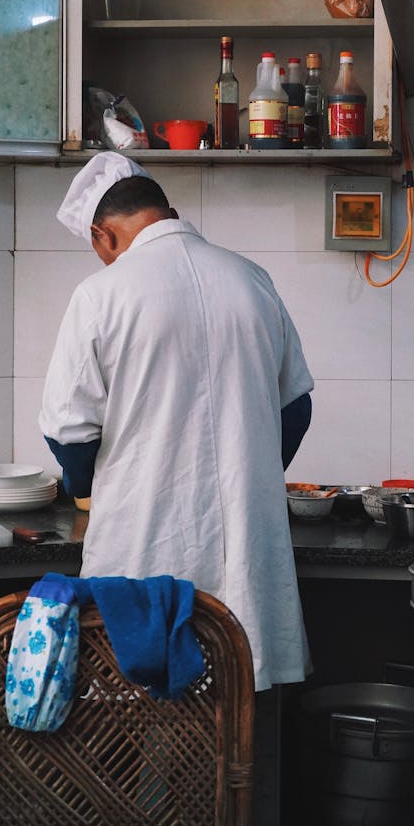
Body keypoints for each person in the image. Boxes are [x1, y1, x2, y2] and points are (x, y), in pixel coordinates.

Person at [39, 152, 314, 692]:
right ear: (169, 211)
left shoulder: (101, 295)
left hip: (141, 538)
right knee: (233, 698)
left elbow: (68, 430)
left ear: (102, 235)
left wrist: (89, 490)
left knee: (137, 703)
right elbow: (296, 407)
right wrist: (246, 472)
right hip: (245, 538)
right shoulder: (251, 279)